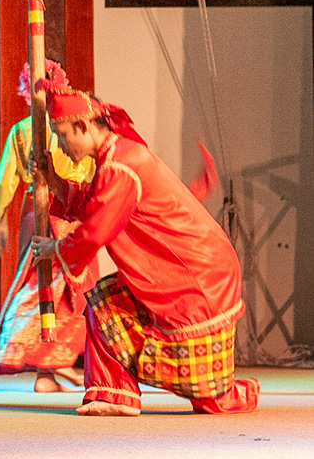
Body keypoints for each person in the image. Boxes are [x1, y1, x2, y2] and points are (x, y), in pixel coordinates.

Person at [31, 88, 259, 416]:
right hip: (178, 268)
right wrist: (52, 178)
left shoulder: (121, 163)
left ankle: (238, 394)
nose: (61, 146)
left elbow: (98, 228)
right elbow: (94, 205)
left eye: (62, 136)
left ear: (83, 126)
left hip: (195, 272)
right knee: (105, 306)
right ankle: (115, 396)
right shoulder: (115, 158)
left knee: (207, 392)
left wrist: (57, 247)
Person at [0, 61, 94, 392]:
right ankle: (52, 367)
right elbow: (6, 184)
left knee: (55, 291)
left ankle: (48, 371)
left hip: (53, 213)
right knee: (57, 290)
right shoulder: (44, 130)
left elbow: (2, 186)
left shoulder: (30, 131)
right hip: (59, 213)